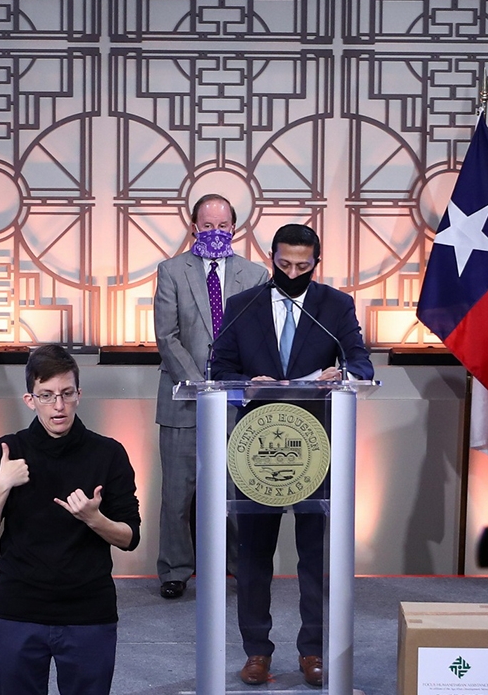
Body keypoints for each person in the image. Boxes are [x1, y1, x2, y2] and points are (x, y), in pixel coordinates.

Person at [210, 224, 373, 688]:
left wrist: (337, 373)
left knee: (314, 555)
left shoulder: (334, 306)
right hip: (256, 446)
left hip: (316, 446)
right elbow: (217, 367)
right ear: (271, 257)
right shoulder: (243, 307)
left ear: (316, 262)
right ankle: (257, 652)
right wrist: (245, 384)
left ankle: (313, 651)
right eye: (284, 265)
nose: (293, 273)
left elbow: (360, 363)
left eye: (303, 266)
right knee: (254, 555)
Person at [0, 344, 141, 695]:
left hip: (88, 612)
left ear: (79, 394)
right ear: (30, 400)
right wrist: (2, 484)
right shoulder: (9, 451)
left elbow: (130, 537)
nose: (58, 406)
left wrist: (94, 518)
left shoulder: (108, 453)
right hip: (19, 609)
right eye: (46, 396)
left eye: (65, 394)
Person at [153, 193, 269, 599]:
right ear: (193, 227)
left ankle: (236, 565)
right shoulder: (171, 271)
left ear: (234, 229)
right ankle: (175, 570)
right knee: (177, 494)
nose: (215, 233)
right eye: (208, 225)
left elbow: (257, 338)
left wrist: (228, 381)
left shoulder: (255, 275)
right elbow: (167, 336)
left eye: (223, 226)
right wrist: (201, 385)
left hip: (237, 400)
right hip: (183, 400)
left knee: (235, 489)